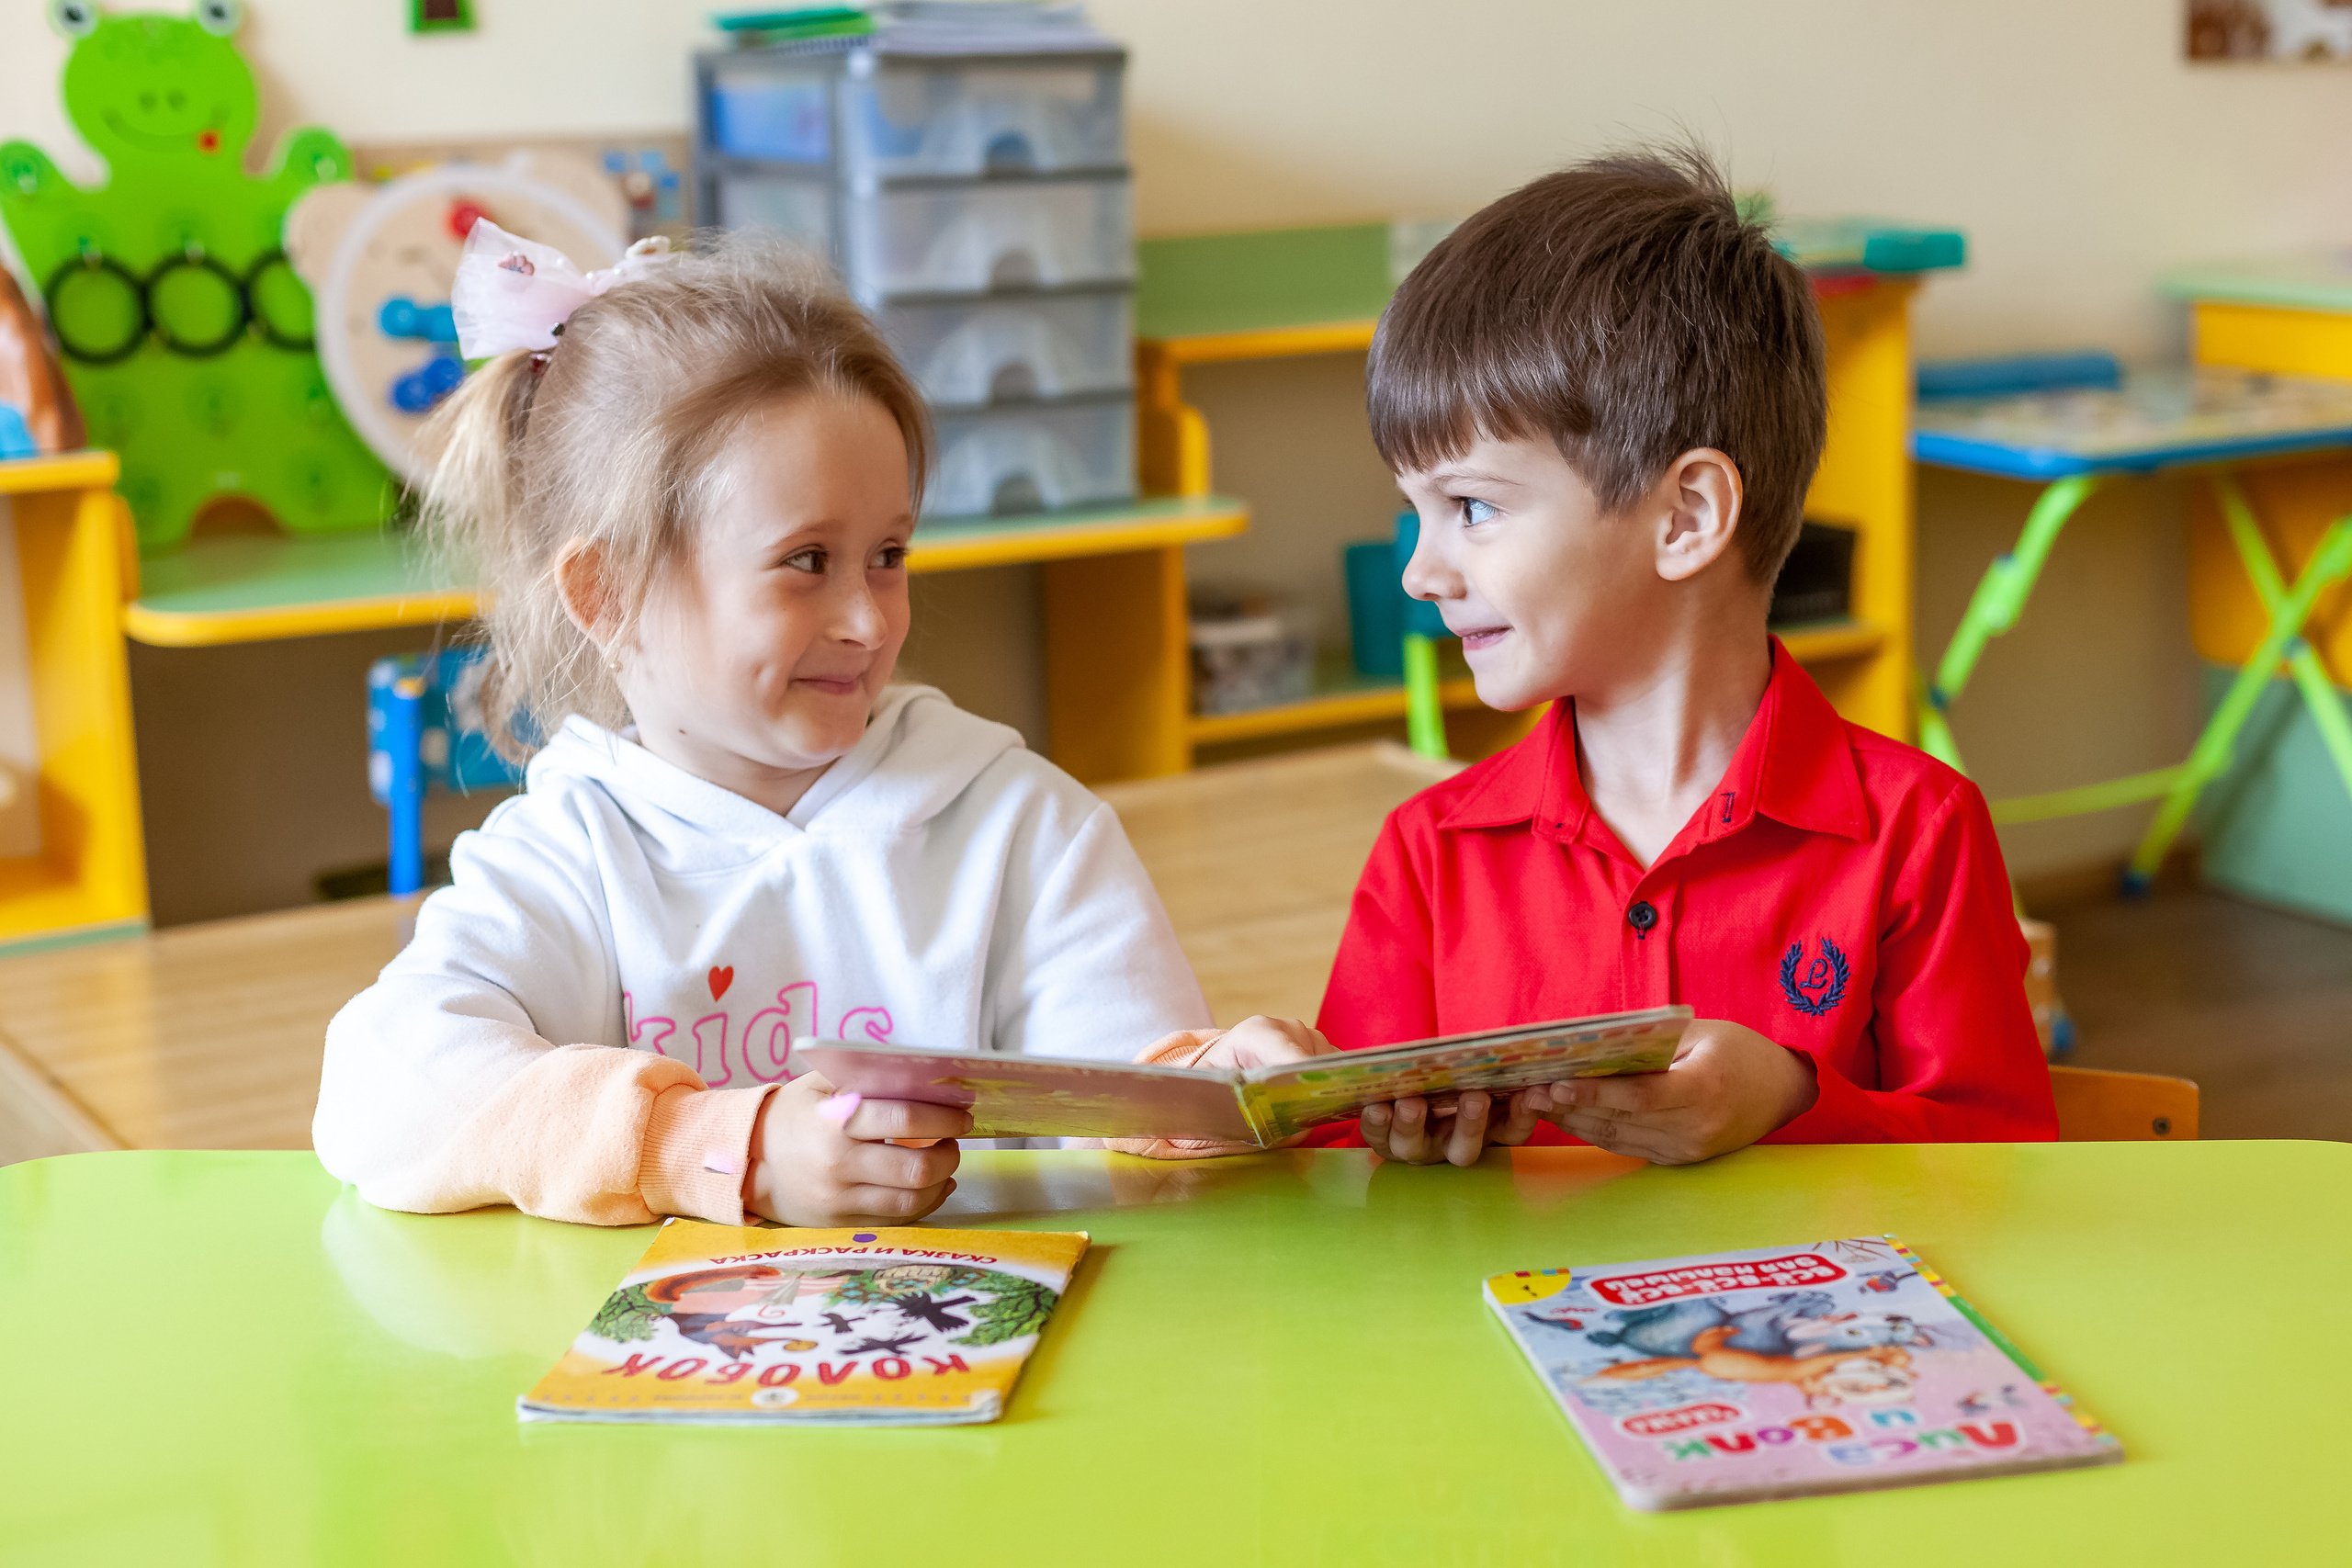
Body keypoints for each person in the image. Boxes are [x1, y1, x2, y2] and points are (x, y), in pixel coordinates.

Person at [314, 221, 1285, 1229]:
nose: (869, 620)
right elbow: (381, 1097)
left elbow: (1128, 1102)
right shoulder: (573, 853)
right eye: (806, 561)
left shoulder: (1020, 824)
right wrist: (718, 1149)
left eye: (889, 555)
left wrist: (1210, 1094)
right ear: (607, 595)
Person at [1295, 145, 2056, 1165]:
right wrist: (1288, 1099)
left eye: (1471, 507)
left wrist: (1790, 1098)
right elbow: (1336, 1166)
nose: (1420, 572)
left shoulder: (1919, 833)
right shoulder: (1428, 855)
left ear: (1686, 516)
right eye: (1415, 513)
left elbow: (2006, 1163)